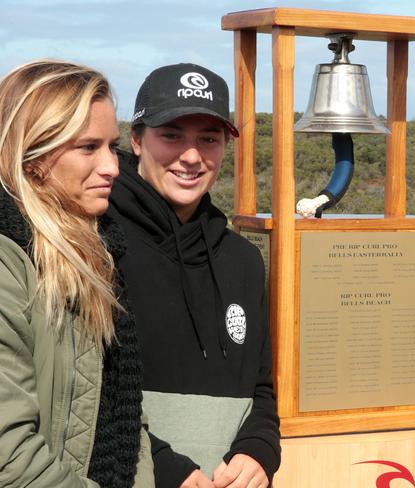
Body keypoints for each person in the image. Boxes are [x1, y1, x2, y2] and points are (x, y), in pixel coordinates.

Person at [107, 63, 280, 488]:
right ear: (136, 139)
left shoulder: (242, 259)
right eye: (171, 135)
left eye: (209, 139)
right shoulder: (96, 244)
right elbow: (84, 395)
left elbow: (260, 389)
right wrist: (163, 467)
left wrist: (259, 449)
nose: (191, 155)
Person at [0, 60, 153, 487]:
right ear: (31, 155)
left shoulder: (99, 252)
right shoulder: (9, 263)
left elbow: (128, 419)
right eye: (88, 147)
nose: (112, 167)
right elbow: (9, 459)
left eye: (112, 145)